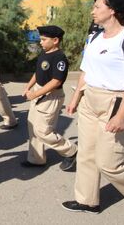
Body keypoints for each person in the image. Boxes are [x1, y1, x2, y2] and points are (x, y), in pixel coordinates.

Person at [62, 0, 124, 222]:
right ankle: (87, 200)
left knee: (109, 162)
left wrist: (122, 116)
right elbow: (85, 70)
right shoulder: (95, 36)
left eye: (97, 6)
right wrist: (75, 98)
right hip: (90, 99)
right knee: (86, 154)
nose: (93, 11)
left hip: (117, 102)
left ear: (112, 11)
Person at [21, 25, 78, 170]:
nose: (41, 42)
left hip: (50, 95)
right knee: (32, 126)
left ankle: (71, 151)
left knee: (43, 131)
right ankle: (36, 158)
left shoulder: (59, 58)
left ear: (55, 40)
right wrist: (28, 87)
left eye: (44, 39)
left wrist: (35, 94)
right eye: (41, 39)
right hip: (39, 92)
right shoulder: (44, 53)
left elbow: (56, 81)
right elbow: (38, 72)